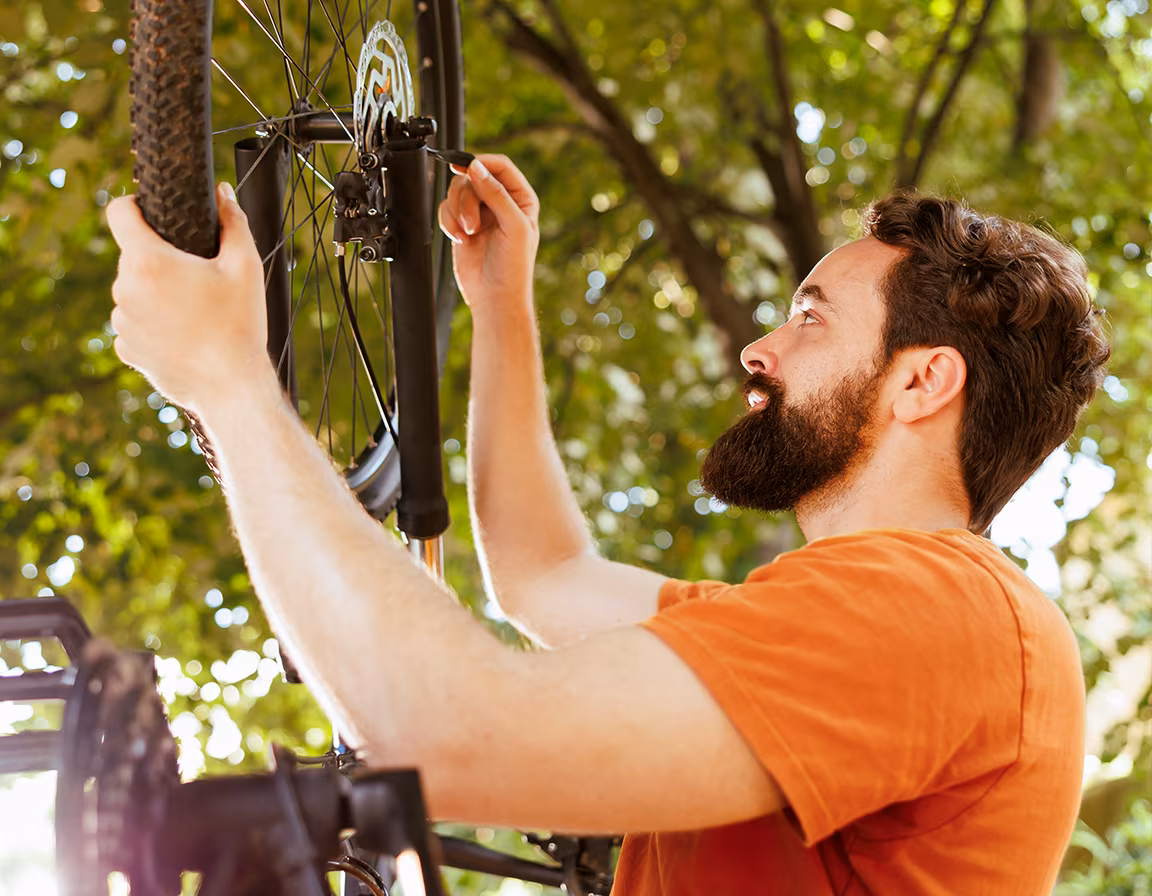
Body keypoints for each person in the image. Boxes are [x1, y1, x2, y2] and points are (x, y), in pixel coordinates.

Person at [107, 154, 1109, 895]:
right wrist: (503, 301)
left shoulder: (933, 610)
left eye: (810, 317)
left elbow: (444, 736)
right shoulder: (856, 625)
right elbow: (544, 574)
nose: (760, 348)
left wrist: (226, 379)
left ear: (924, 380)